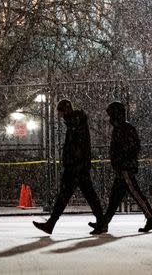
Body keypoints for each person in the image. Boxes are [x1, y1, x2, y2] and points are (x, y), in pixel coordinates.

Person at [33, 99, 105, 234]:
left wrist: (70, 162)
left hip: (75, 167)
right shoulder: (77, 121)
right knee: (88, 195)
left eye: (60, 112)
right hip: (80, 166)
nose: (59, 116)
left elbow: (75, 147)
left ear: (64, 110)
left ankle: (51, 224)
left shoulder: (74, 123)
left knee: (64, 196)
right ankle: (101, 221)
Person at [90, 101, 152, 234]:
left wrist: (122, 160)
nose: (109, 118)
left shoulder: (124, 129)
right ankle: (104, 223)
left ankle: (150, 219)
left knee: (134, 193)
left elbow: (133, 147)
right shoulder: (122, 128)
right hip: (122, 168)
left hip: (125, 168)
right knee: (115, 198)